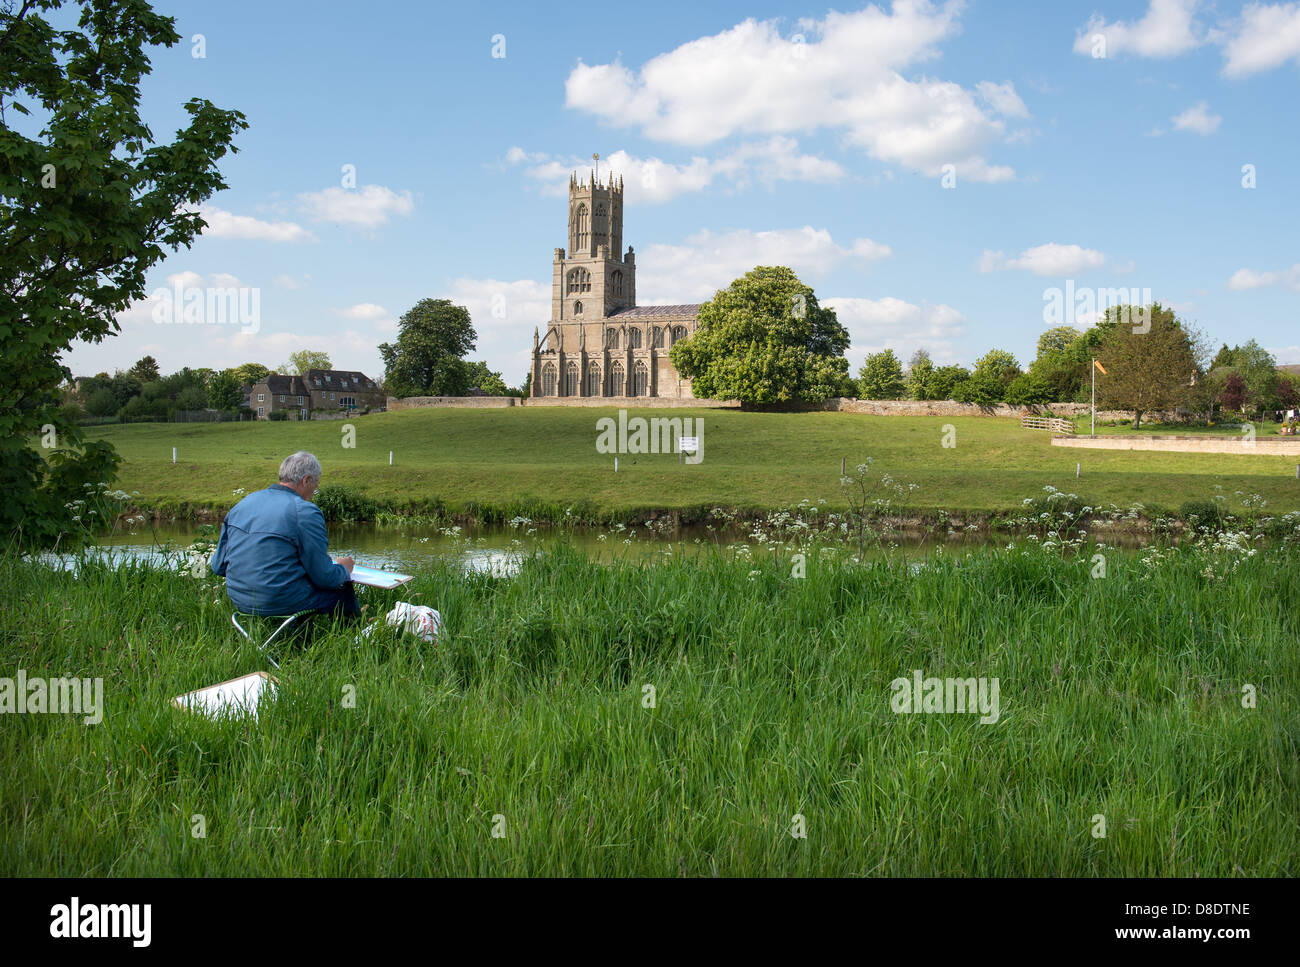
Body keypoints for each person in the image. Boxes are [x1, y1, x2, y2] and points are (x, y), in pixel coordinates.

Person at [210, 451, 360, 622]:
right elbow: (324, 577)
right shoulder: (305, 512)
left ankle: (294, 636)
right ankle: (351, 641)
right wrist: (343, 569)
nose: (315, 489)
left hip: (240, 601)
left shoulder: (242, 505)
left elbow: (218, 566)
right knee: (341, 589)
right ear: (306, 480)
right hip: (280, 601)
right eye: (316, 483)